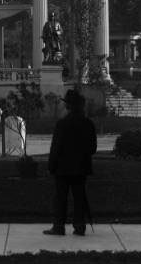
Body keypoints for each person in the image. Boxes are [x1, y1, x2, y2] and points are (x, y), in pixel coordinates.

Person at [45, 88, 97, 236]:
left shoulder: (62, 124)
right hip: (81, 167)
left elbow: (55, 148)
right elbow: (92, 149)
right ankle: (80, 226)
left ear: (68, 106)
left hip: (62, 168)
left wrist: (51, 166)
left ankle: (58, 226)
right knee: (79, 196)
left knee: (61, 197)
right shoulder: (88, 124)